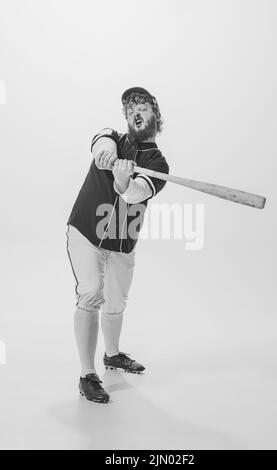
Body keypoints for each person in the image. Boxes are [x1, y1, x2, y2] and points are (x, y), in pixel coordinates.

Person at [66, 87, 169, 403]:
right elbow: (101, 143)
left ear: (156, 116)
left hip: (123, 243)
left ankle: (112, 355)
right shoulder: (110, 136)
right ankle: (87, 375)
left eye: (143, 106)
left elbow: (134, 193)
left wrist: (123, 180)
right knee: (91, 294)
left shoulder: (160, 165)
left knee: (116, 301)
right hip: (86, 233)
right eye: (130, 108)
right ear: (126, 118)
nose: (136, 111)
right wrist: (106, 155)